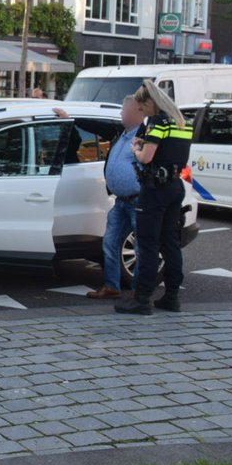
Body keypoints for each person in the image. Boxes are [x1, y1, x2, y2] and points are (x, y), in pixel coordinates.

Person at [115, 82, 193, 316]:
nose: (142, 112)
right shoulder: (182, 122)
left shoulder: (158, 122)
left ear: (150, 102)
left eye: (142, 107)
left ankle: (142, 299)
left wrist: (136, 149)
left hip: (155, 189)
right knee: (170, 243)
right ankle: (171, 296)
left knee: (148, 243)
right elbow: (170, 150)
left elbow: (146, 158)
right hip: (175, 186)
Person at [89, 95, 144, 300]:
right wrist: (68, 117)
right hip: (121, 201)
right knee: (110, 242)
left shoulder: (145, 135)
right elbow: (95, 126)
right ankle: (112, 286)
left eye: (124, 110)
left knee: (140, 247)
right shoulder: (121, 132)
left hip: (138, 200)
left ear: (137, 112)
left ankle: (139, 292)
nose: (121, 113)